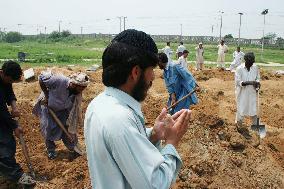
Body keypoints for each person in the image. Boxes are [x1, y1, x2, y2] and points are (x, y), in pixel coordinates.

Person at [84, 29, 192, 189]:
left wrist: (153, 135)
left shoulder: (99, 104)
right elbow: (155, 184)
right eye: (151, 70)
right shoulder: (119, 119)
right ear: (136, 72)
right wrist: (171, 142)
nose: (153, 78)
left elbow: (124, 152)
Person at [33, 71, 89, 160]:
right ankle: (51, 151)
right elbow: (41, 77)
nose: (81, 91)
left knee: (68, 128)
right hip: (48, 108)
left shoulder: (76, 92)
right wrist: (47, 95)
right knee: (49, 129)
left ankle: (73, 148)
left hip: (63, 109)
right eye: (81, 89)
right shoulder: (59, 80)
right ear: (74, 84)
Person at [0, 61, 36, 186]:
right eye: (10, 80)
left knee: (8, 142)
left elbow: (9, 92)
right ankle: (16, 175)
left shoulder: (5, 79)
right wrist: (15, 125)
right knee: (3, 145)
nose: (11, 83)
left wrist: (14, 106)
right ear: (2, 73)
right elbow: (2, 111)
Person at [235, 52, 260, 138]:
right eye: (251, 61)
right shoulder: (239, 69)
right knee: (241, 110)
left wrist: (258, 84)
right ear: (246, 60)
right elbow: (239, 82)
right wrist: (251, 82)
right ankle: (239, 128)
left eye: (253, 61)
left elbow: (258, 78)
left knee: (254, 111)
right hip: (242, 93)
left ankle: (256, 131)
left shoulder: (255, 67)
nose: (253, 62)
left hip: (252, 93)